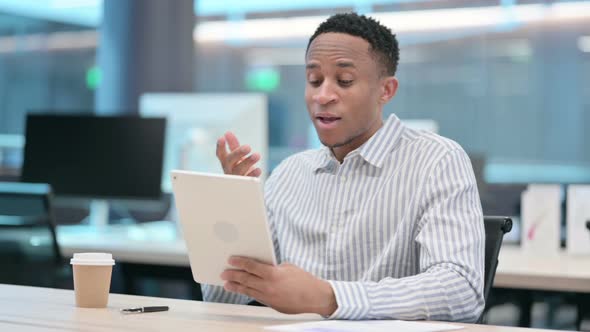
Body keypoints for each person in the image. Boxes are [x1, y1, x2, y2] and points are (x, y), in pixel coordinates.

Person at [208, 12, 485, 322]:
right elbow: (221, 297)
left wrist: (330, 297)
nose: (323, 95)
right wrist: (235, 208)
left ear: (386, 90)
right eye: (314, 80)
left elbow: (462, 291)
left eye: (344, 81)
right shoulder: (289, 173)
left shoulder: (436, 161)